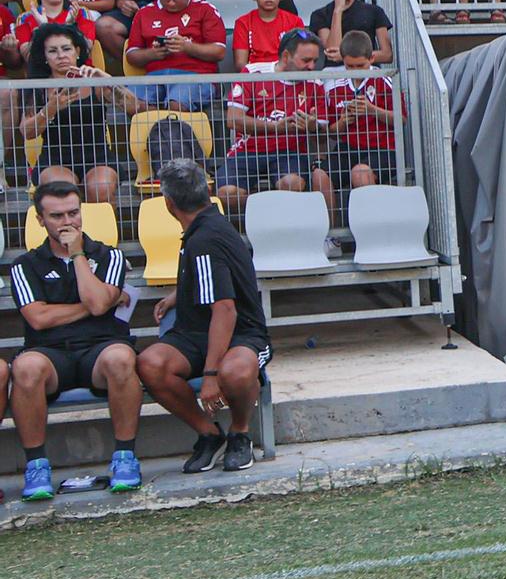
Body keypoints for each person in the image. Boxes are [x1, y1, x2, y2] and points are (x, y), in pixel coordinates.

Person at [137, 157, 273, 475]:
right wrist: (177, 296)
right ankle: (209, 434)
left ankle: (240, 433)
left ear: (169, 203)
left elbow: (225, 310)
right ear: (205, 191)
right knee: (150, 364)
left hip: (243, 333)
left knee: (235, 372)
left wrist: (210, 375)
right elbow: (214, 276)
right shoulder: (206, 225)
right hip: (194, 333)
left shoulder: (205, 238)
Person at [8, 178, 143, 499]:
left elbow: (99, 304)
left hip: (101, 349)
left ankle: (125, 458)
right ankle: (37, 466)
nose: (67, 222)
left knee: (122, 358)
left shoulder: (107, 256)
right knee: (25, 367)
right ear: (40, 220)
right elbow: (38, 318)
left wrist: (78, 255)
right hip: (50, 353)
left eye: (73, 213)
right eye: (57, 216)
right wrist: (98, 304)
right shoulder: (25, 265)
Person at [215, 29, 333, 218]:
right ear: (286, 56)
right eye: (306, 60)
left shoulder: (315, 83)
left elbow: (323, 129)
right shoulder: (254, 73)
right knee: (227, 194)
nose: (312, 66)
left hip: (289, 152)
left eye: (314, 60)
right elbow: (233, 120)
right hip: (248, 151)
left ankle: (273, 225)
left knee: (292, 185)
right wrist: (275, 128)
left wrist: (313, 126)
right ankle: (265, 214)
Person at [22, 23, 139, 205]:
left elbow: (134, 108)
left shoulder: (95, 82)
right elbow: (26, 132)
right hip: (55, 159)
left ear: (77, 51)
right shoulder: (38, 87)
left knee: (101, 188)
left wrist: (109, 81)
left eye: (66, 48)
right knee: (61, 190)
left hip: (98, 156)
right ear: (45, 57)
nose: (61, 55)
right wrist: (50, 108)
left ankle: (102, 233)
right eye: (52, 51)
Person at [124, 0, 224, 111]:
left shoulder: (206, 10)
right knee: (129, 102)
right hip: (154, 77)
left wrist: (187, 47)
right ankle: (163, 121)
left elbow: (219, 51)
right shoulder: (144, 13)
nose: (171, 3)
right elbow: (131, 55)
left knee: (176, 104)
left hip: (195, 76)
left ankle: (164, 120)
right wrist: (152, 54)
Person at [322, 30, 400, 189]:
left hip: (382, 148)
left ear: (372, 59)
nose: (355, 70)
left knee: (360, 173)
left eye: (360, 65)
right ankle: (333, 215)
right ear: (342, 61)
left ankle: (371, 214)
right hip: (348, 149)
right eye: (350, 66)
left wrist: (372, 110)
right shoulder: (334, 86)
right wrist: (343, 121)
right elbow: (332, 132)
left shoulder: (384, 80)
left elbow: (401, 120)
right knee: (319, 176)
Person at [232, 0, 304, 70]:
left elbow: (300, 58)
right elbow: (240, 64)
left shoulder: (295, 21)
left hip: (286, 77)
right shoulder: (242, 23)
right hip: (255, 78)